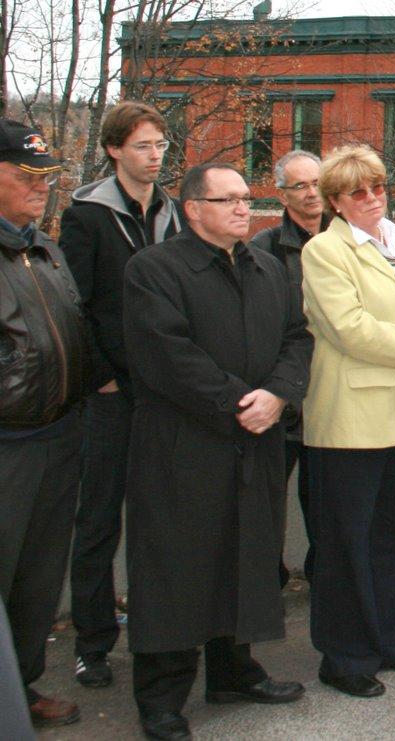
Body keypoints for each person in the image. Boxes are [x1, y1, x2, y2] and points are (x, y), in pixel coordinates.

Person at [122, 162, 312, 740]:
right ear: (192, 208)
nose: (240, 208)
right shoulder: (153, 269)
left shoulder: (265, 267)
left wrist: (278, 395)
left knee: (247, 556)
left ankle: (234, 671)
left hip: (256, 442)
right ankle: (162, 698)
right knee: (177, 567)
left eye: (244, 198)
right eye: (225, 199)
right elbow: (165, 354)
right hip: (183, 445)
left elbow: (297, 338)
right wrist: (240, 402)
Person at [300, 145, 395, 699]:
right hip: (351, 419)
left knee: (394, 538)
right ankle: (343, 657)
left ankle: (387, 640)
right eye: (357, 192)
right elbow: (348, 326)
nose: (371, 198)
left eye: (377, 186)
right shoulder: (324, 251)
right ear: (336, 202)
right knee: (347, 543)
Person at [59, 101, 185, 690]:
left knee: (161, 518)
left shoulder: (174, 215)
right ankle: (92, 642)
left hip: (165, 392)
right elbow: (73, 306)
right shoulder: (86, 215)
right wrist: (103, 376)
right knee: (99, 521)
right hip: (110, 394)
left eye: (160, 145)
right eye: (142, 145)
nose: (155, 156)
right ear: (114, 149)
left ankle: (161, 631)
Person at [0, 121, 90, 730]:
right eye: (27, 176)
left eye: (47, 176)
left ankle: (23, 687)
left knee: (37, 580)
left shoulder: (44, 247)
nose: (42, 187)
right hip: (7, 446)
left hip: (57, 436)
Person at [252, 149, 330, 587]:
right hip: (282, 396)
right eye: (299, 186)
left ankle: (324, 577)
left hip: (332, 392)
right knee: (267, 503)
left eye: (316, 182)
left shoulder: (349, 239)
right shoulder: (263, 249)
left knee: (324, 502)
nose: (311, 193)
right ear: (283, 196)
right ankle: (268, 581)